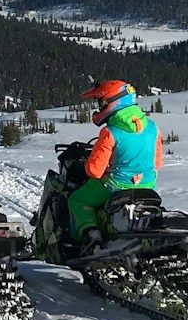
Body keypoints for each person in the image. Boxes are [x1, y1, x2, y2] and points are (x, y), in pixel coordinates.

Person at [68, 78, 161, 246]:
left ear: (114, 102)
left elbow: (94, 170)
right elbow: (157, 163)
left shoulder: (110, 132)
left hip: (115, 186)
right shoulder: (153, 128)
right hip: (147, 186)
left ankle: (91, 233)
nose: (100, 107)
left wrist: (86, 165)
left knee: (77, 200)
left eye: (102, 102)